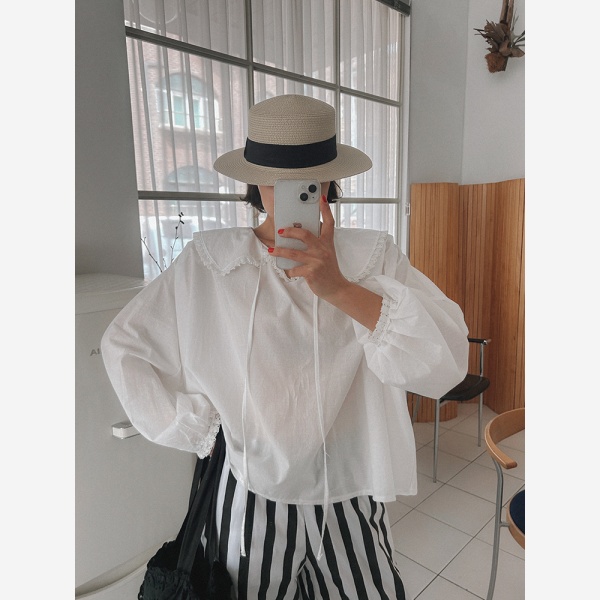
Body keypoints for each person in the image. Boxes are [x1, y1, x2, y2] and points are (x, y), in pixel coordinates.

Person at [101, 94, 469, 599]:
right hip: (248, 487)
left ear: (329, 184)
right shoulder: (211, 262)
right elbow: (126, 344)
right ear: (254, 182)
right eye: (276, 179)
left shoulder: (372, 256)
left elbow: (443, 361)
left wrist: (339, 288)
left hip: (349, 484)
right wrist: (200, 427)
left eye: (307, 181)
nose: (290, 193)